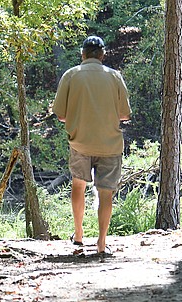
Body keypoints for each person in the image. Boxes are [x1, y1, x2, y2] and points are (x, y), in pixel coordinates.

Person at [52, 35, 131, 254]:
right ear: (103, 55)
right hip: (110, 145)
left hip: (81, 143)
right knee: (106, 193)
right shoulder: (114, 77)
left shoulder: (71, 75)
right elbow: (125, 114)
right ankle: (102, 243)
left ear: (83, 54)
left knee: (78, 185)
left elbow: (60, 114)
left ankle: (78, 237)